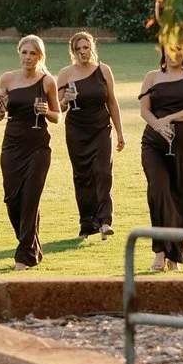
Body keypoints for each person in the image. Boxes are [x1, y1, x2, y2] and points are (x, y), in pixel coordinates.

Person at [0, 34, 61, 270]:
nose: (28, 57)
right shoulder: (7, 79)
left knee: (30, 200)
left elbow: (57, 116)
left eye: (33, 53)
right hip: (12, 146)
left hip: (38, 147)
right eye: (24, 52)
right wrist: (0, 108)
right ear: (19, 53)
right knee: (13, 200)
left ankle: (22, 257)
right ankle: (32, 248)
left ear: (40, 56)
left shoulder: (47, 82)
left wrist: (46, 112)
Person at [138, 40, 183, 272]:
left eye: (179, 49)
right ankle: (159, 251)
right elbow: (144, 109)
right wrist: (158, 125)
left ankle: (174, 255)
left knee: (180, 197)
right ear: (163, 50)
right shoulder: (152, 77)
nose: (175, 53)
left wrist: (169, 118)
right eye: (170, 48)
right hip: (153, 143)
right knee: (158, 193)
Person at [56, 30, 125, 240]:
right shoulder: (66, 74)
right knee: (82, 176)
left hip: (102, 129)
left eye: (85, 47)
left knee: (103, 172)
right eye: (78, 49)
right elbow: (58, 108)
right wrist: (65, 100)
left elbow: (112, 102)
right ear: (73, 51)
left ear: (92, 48)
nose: (82, 52)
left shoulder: (103, 70)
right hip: (77, 131)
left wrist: (120, 132)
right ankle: (87, 224)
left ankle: (105, 222)